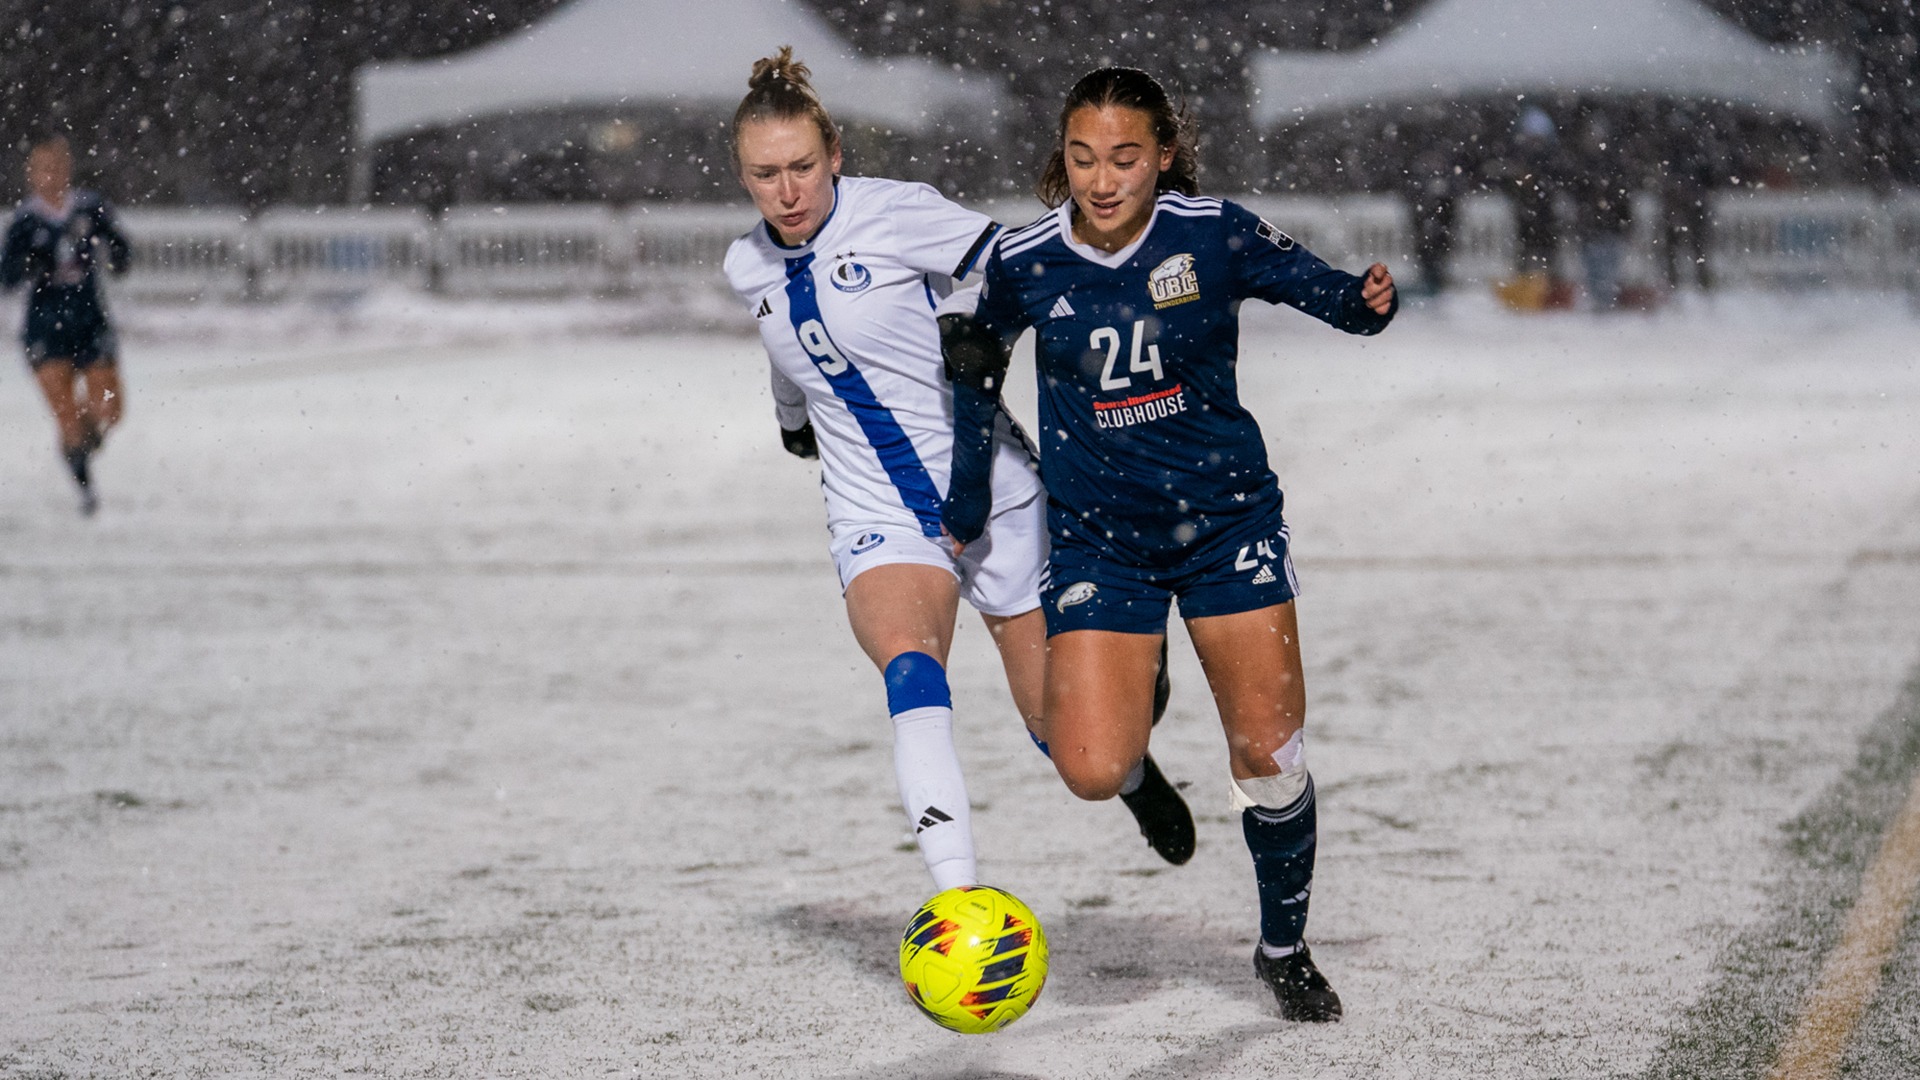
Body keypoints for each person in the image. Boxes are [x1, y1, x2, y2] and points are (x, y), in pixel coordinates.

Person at [942, 67, 1396, 1021]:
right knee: (1090, 768)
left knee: (1268, 756)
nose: (1101, 180)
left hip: (1226, 525)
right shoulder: (1026, 259)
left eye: (1124, 158)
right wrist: (968, 495)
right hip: (1101, 543)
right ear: (1061, 158)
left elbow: (1329, 295)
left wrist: (1366, 301)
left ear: (1162, 155)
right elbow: (974, 362)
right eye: (1082, 158)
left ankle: (1283, 950)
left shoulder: (1212, 232)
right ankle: (1139, 705)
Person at [721, 49, 1195, 896]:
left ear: (835, 155)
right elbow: (788, 345)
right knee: (912, 671)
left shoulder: (896, 213)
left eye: (802, 167)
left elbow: (1017, 267)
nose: (787, 191)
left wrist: (982, 329)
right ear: (743, 175)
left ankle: (1130, 770)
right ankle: (956, 897)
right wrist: (792, 423)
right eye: (765, 175)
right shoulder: (745, 264)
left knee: (1078, 753)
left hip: (997, 492)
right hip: (878, 514)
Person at [2, 133, 131, 515]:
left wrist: (116, 254)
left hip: (89, 320)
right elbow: (6, 276)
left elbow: (120, 251)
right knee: (65, 412)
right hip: (45, 326)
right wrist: (29, 264)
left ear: (69, 168)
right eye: (43, 168)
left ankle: (83, 441)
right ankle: (86, 490)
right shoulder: (25, 221)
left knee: (110, 408)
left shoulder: (90, 208)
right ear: (31, 173)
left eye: (58, 167)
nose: (51, 176)